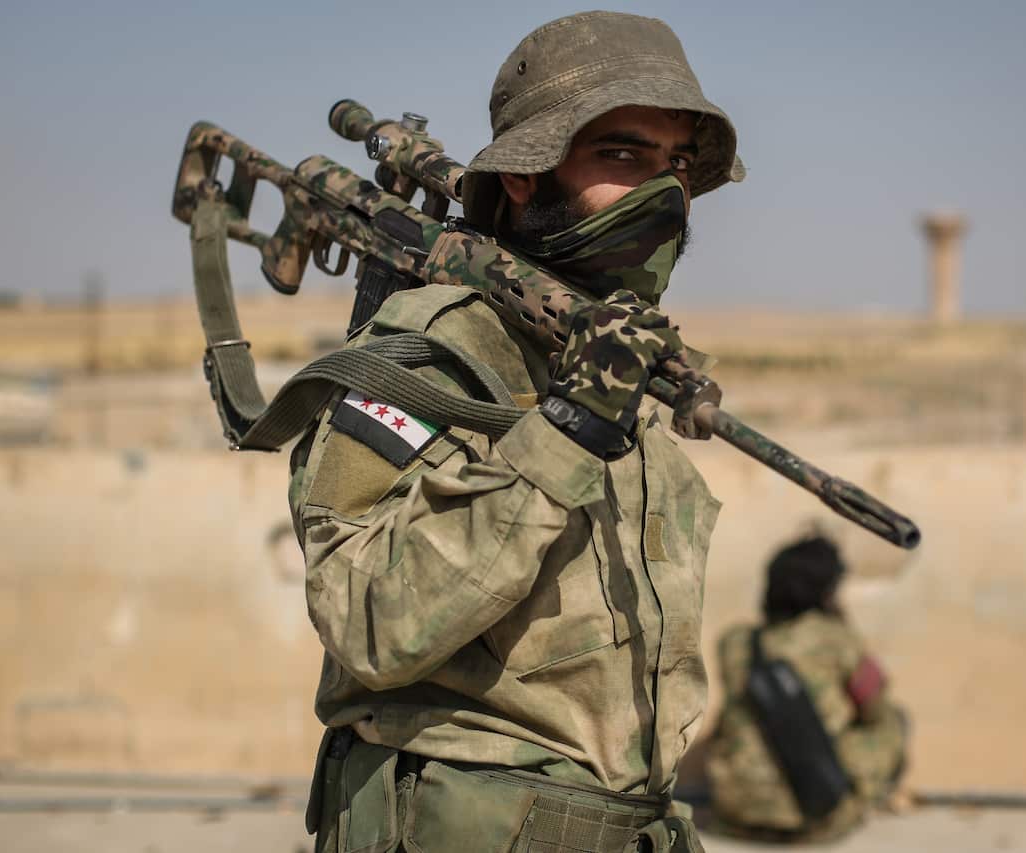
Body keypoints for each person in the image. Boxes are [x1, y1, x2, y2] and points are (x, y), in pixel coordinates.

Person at [289, 11, 743, 853]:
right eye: (623, 155)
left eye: (677, 164)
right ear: (528, 176)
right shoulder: (433, 352)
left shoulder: (615, 368)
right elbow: (366, 618)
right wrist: (563, 434)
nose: (665, 192)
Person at [706, 535, 908, 842]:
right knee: (895, 721)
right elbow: (874, 708)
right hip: (814, 818)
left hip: (734, 811)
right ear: (828, 590)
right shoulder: (836, 639)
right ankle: (855, 802)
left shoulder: (734, 642)